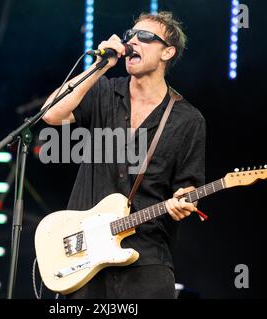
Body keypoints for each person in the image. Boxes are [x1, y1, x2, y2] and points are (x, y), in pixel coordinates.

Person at [42, 11, 206, 299]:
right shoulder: (102, 91)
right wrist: (100, 66)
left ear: (167, 52)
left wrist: (184, 202)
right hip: (83, 257)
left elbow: (189, 186)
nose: (132, 41)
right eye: (130, 35)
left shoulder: (188, 120)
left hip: (146, 261)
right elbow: (52, 114)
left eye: (145, 37)